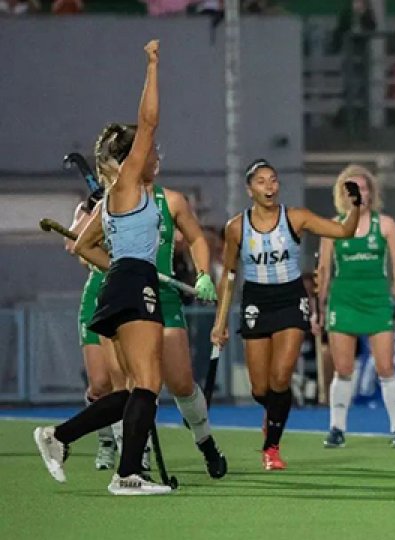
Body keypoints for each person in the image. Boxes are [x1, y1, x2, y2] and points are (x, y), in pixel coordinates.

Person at [34, 40, 175, 495]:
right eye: (150, 152)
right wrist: (152, 66)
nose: (155, 157)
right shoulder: (129, 182)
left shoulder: (113, 200)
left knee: (136, 388)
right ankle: (127, 475)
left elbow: (83, 246)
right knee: (148, 385)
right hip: (134, 284)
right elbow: (149, 122)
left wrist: (118, 268)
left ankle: (58, 436)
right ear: (132, 156)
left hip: (122, 283)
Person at [211, 159, 361, 470]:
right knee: (260, 388)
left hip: (291, 299)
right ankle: (275, 413)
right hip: (255, 301)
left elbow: (344, 231)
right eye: (262, 181)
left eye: (274, 180)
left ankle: (272, 447)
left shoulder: (296, 218)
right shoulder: (236, 228)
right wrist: (220, 323)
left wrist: (355, 205)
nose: (269, 186)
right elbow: (228, 276)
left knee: (281, 376)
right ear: (249, 189)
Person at [315, 165, 395, 449]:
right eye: (352, 188)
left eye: (363, 188)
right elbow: (323, 270)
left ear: (371, 193)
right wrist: (318, 309)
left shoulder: (386, 225)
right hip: (343, 301)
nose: (358, 193)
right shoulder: (333, 227)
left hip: (377, 301)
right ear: (343, 195)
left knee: (385, 367)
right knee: (343, 368)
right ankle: (336, 428)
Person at [144, 176, 226, 478]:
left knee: (180, 382)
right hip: (125, 297)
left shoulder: (172, 201)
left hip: (163, 297)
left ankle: (205, 442)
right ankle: (136, 456)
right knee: (134, 384)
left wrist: (203, 274)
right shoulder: (112, 202)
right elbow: (84, 246)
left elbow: (195, 238)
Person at [65, 194, 126, 471]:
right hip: (97, 296)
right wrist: (90, 210)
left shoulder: (136, 200)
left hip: (128, 292)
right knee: (100, 383)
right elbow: (73, 246)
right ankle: (105, 441)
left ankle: (133, 444)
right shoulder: (89, 207)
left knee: (127, 381)